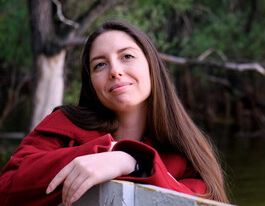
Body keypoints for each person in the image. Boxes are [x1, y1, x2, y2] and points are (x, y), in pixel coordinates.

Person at [0, 20, 229, 206]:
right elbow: (6, 189)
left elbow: (193, 202)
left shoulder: (185, 154)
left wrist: (132, 161)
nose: (115, 71)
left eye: (127, 56)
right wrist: (102, 152)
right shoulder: (65, 125)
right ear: (91, 83)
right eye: (100, 65)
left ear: (151, 65)